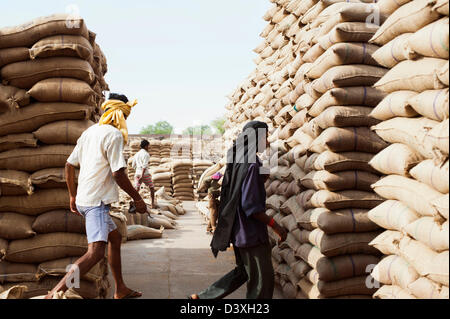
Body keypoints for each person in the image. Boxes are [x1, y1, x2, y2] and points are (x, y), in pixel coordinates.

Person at [45, 93, 147, 299]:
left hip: (85, 200)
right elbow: (119, 173)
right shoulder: (114, 135)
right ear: (121, 115)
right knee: (95, 253)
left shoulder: (89, 133)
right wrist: (138, 198)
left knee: (115, 239)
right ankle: (55, 293)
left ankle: (120, 289)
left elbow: (69, 165)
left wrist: (73, 196)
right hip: (96, 203)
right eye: (125, 117)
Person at [189, 121, 287, 300]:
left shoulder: (239, 157)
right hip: (250, 233)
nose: (268, 140)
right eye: (265, 136)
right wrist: (276, 225)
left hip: (237, 229)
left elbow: (244, 181)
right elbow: (251, 207)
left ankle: (203, 298)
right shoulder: (251, 164)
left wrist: (263, 173)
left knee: (242, 272)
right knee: (262, 283)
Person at [132, 139, 156, 208]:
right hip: (144, 174)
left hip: (137, 173)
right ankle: (152, 204)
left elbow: (133, 165)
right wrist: (142, 176)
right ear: (145, 146)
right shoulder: (146, 154)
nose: (149, 147)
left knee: (136, 188)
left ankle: (134, 203)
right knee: (151, 188)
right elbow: (144, 166)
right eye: (148, 146)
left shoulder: (137, 154)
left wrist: (137, 171)